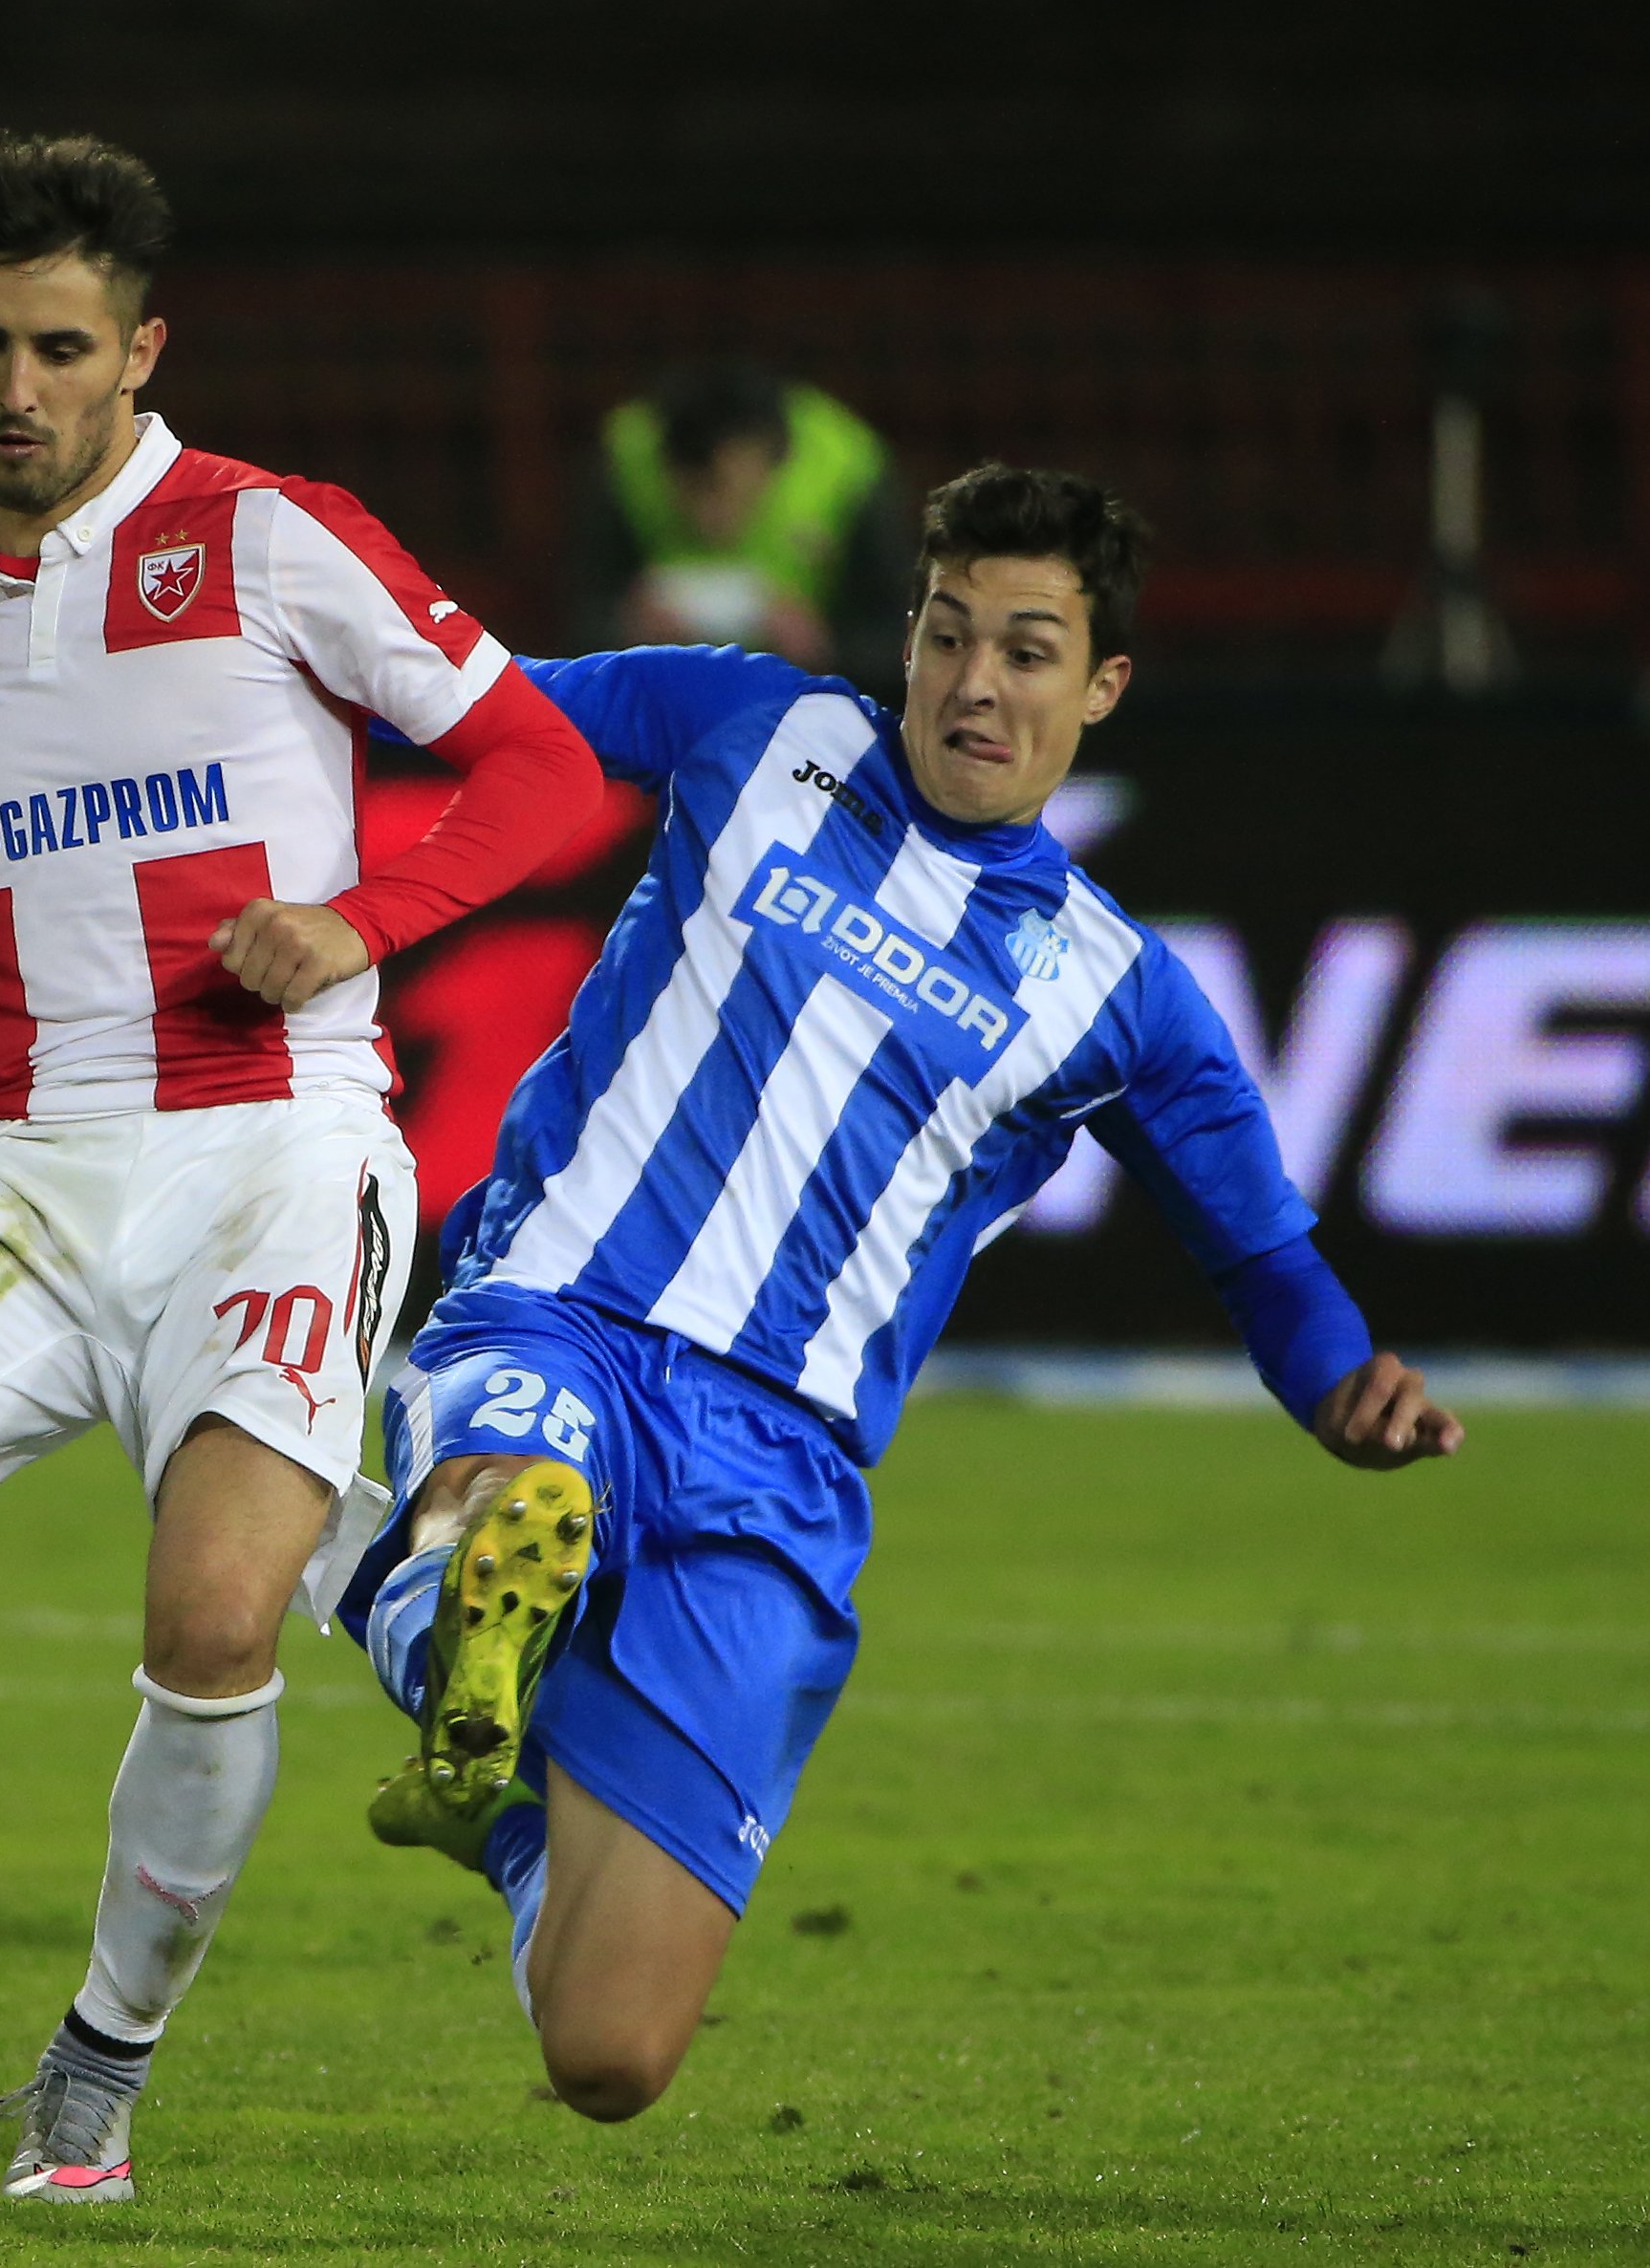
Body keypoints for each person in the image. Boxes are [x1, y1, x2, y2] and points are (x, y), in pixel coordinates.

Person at [0, 130, 603, 2204]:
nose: (18, 387)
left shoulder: (269, 542)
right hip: (7, 1158)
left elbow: (540, 765)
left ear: (137, 350)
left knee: (213, 1608)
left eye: (61, 346)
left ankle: (96, 2070)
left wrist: (363, 918)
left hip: (268, 1152)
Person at [341, 463, 1464, 2123]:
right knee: (510, 1490)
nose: (972, 683)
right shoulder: (754, 726)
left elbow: (1260, 1249)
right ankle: (428, 1606)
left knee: (606, 2053)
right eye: (945, 635)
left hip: (774, 1471)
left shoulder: (1117, 994)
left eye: (1024, 650)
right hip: (558, 1311)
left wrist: (1338, 1379)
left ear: (1100, 686)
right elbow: (473, 709)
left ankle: (487, 1798)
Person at [577, 359, 910, 690]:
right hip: (660, 689)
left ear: (773, 461)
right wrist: (623, 629)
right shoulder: (623, 457)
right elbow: (581, 612)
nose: (710, 517)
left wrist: (826, 645)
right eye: (693, 489)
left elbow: (897, 638)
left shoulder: (848, 468)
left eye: (727, 489)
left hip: (807, 697)